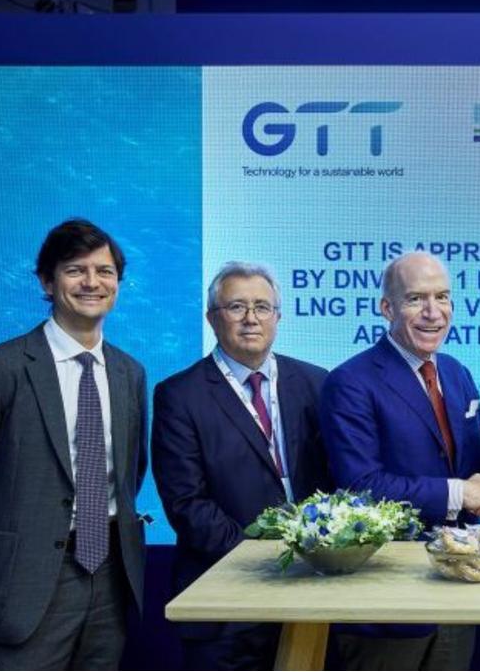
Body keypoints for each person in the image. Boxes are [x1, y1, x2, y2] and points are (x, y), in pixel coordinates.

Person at [0, 219, 148, 670]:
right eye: (76, 270)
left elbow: (130, 473)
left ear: (117, 283)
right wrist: (5, 553)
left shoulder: (129, 373)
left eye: (105, 271)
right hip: (24, 582)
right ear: (46, 280)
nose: (92, 282)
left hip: (110, 576)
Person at [320, 251, 480, 670]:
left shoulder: (455, 371)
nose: (434, 312)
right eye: (416, 299)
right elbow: (361, 486)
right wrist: (460, 493)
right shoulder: (350, 382)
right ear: (387, 308)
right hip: (387, 599)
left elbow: (478, 454)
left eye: (442, 297)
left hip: (458, 583)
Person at [152, 261, 332, 669]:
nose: (251, 318)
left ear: (278, 317)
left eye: (262, 307)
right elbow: (187, 504)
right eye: (236, 307)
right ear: (212, 318)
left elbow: (334, 479)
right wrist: (263, 560)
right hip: (225, 599)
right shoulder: (179, 395)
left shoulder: (316, 383)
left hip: (312, 592)